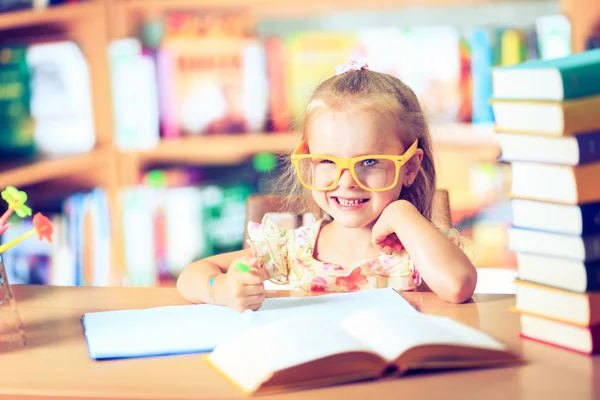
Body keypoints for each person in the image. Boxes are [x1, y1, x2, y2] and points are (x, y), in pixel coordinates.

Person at [177, 59, 477, 311]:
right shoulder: (291, 251)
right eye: (327, 162)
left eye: (369, 162)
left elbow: (458, 286)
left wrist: (401, 213)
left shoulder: (418, 248)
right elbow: (191, 276)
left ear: (409, 167)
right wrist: (221, 289)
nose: (346, 182)